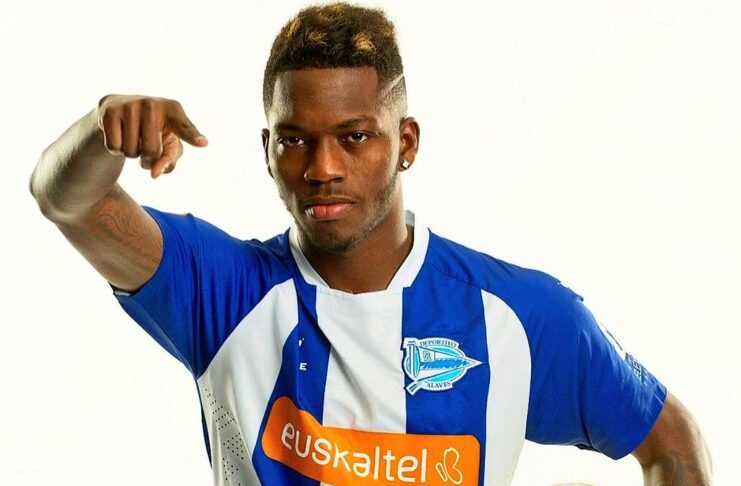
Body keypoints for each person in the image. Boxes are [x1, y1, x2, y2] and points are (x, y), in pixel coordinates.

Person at [29, 2, 711, 485]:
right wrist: (102, 127)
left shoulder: (515, 317)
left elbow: (668, 440)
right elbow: (66, 199)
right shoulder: (223, 292)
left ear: (404, 143)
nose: (322, 167)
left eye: (354, 136)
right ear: (267, 151)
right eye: (295, 140)